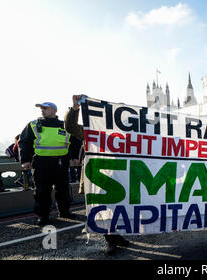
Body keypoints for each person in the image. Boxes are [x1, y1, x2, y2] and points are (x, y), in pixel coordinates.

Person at [64, 95, 131, 256]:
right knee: (103, 209)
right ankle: (110, 241)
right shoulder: (93, 130)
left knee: (118, 209)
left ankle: (116, 236)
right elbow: (70, 126)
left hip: (120, 176)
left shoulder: (130, 133)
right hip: (98, 177)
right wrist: (74, 109)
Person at [19, 102, 81, 225]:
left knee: (63, 189)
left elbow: (75, 141)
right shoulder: (33, 125)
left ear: (54, 110)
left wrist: (75, 157)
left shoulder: (65, 125)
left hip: (61, 161)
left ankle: (64, 212)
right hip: (41, 162)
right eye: (41, 108)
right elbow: (24, 142)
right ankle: (43, 216)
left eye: (45, 108)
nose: (42, 110)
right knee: (42, 190)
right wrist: (25, 160)